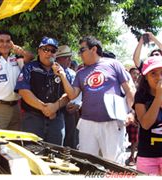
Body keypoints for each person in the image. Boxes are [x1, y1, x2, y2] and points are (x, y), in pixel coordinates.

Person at [52, 36, 135, 164]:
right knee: (87, 163)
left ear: (94, 49)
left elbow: (129, 90)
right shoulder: (81, 72)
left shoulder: (114, 64)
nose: (79, 54)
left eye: (82, 50)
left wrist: (131, 112)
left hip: (112, 123)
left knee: (114, 164)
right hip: (87, 124)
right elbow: (73, 94)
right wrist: (62, 75)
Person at [15, 37, 70, 145]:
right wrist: (45, 108)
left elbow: (68, 94)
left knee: (55, 154)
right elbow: (23, 91)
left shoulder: (63, 71)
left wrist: (55, 107)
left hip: (56, 120)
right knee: (31, 153)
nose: (49, 53)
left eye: (53, 51)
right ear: (39, 51)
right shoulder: (29, 68)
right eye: (45, 49)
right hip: (33, 119)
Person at [133, 56, 162, 175]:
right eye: (153, 73)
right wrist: (158, 97)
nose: (159, 77)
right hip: (147, 155)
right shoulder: (141, 96)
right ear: (145, 77)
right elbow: (145, 124)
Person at [55, 45, 81, 148]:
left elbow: (79, 93)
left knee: (70, 142)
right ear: (58, 59)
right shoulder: (50, 72)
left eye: (70, 57)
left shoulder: (73, 74)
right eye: (66, 57)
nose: (69, 60)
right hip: (55, 112)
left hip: (70, 113)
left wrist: (78, 105)